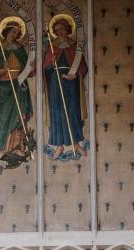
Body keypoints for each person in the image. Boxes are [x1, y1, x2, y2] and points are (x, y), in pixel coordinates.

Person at [43, 17, 88, 160]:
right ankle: (59, 145)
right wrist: (52, 64)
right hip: (56, 81)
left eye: (61, 29)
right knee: (57, 112)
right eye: (56, 31)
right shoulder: (52, 46)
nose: (59, 33)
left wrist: (75, 74)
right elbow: (46, 68)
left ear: (67, 29)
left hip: (72, 82)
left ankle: (75, 143)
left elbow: (83, 66)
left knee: (72, 110)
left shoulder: (75, 46)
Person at [0, 21, 34, 160]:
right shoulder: (0, 48)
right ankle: (3, 147)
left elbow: (29, 70)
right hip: (5, 87)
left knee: (19, 117)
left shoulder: (20, 48)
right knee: (4, 118)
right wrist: (4, 69)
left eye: (17, 33)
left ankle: (18, 147)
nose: (14, 35)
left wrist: (31, 68)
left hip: (19, 84)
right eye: (12, 32)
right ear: (6, 32)